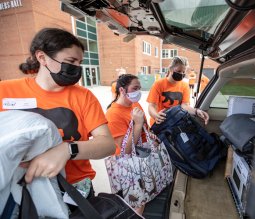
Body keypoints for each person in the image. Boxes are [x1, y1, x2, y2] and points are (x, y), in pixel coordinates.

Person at [0, 28, 115, 198]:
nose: (77, 68)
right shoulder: (5, 90)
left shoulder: (83, 96)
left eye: (79, 63)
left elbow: (107, 145)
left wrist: (67, 150)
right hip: (18, 190)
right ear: (42, 57)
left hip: (74, 189)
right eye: (71, 61)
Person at [105, 74, 148, 214]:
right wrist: (138, 124)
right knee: (136, 205)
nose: (138, 92)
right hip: (127, 167)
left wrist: (148, 131)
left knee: (144, 198)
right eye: (135, 88)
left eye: (139, 88)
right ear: (122, 90)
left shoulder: (135, 104)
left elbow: (145, 130)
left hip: (142, 160)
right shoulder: (112, 115)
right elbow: (125, 150)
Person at [147, 56, 209, 126]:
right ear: (171, 69)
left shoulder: (184, 85)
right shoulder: (158, 84)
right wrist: (156, 116)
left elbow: (184, 106)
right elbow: (151, 106)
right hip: (159, 123)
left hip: (175, 123)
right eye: (179, 71)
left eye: (183, 72)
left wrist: (197, 111)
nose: (181, 74)